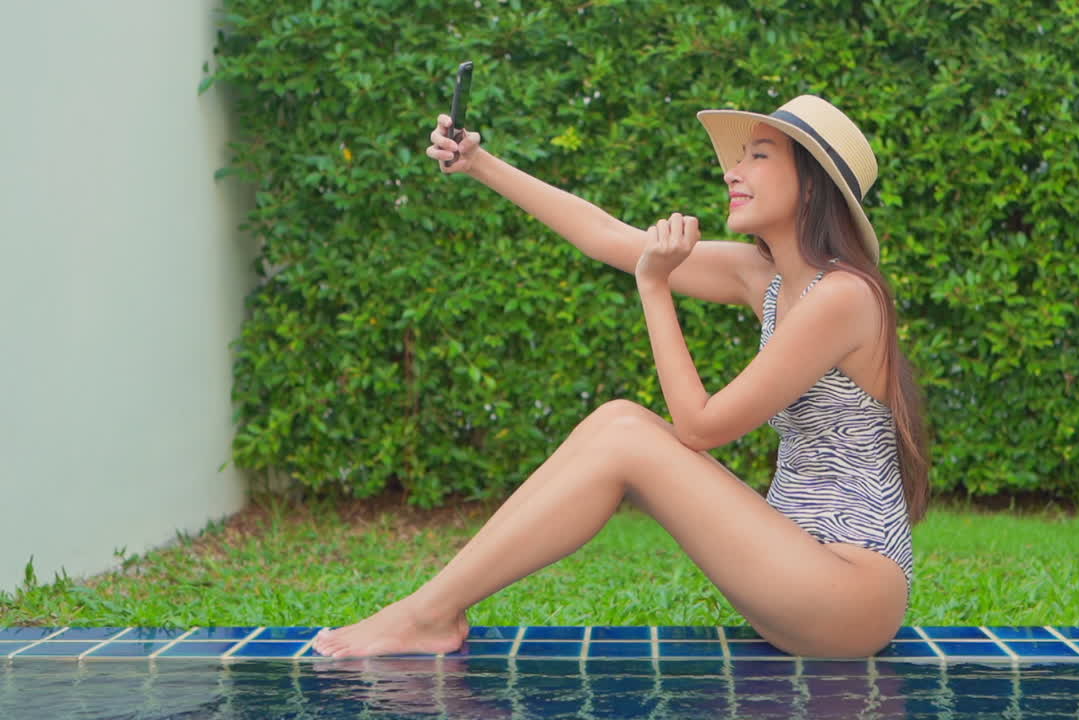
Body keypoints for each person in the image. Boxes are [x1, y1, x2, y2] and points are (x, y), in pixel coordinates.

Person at [314, 94, 930, 659]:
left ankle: (428, 615)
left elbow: (699, 427)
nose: (731, 172)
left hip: (849, 595)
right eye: (737, 158)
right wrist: (481, 164)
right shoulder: (765, 277)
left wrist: (655, 284)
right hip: (794, 577)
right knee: (619, 419)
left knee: (629, 435)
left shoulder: (844, 296)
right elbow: (608, 236)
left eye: (758, 157)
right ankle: (431, 610)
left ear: (812, 184)